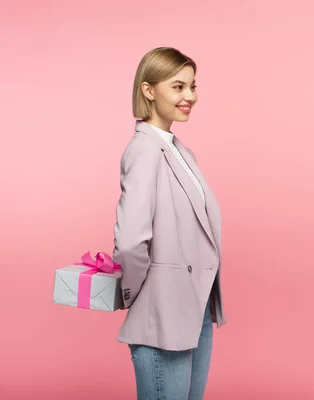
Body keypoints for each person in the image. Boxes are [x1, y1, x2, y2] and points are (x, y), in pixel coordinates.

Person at [112, 47, 226, 399]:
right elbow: (131, 241)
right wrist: (138, 296)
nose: (190, 96)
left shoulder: (178, 149)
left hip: (194, 308)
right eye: (178, 87)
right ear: (149, 90)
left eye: (192, 86)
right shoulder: (144, 150)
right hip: (162, 312)